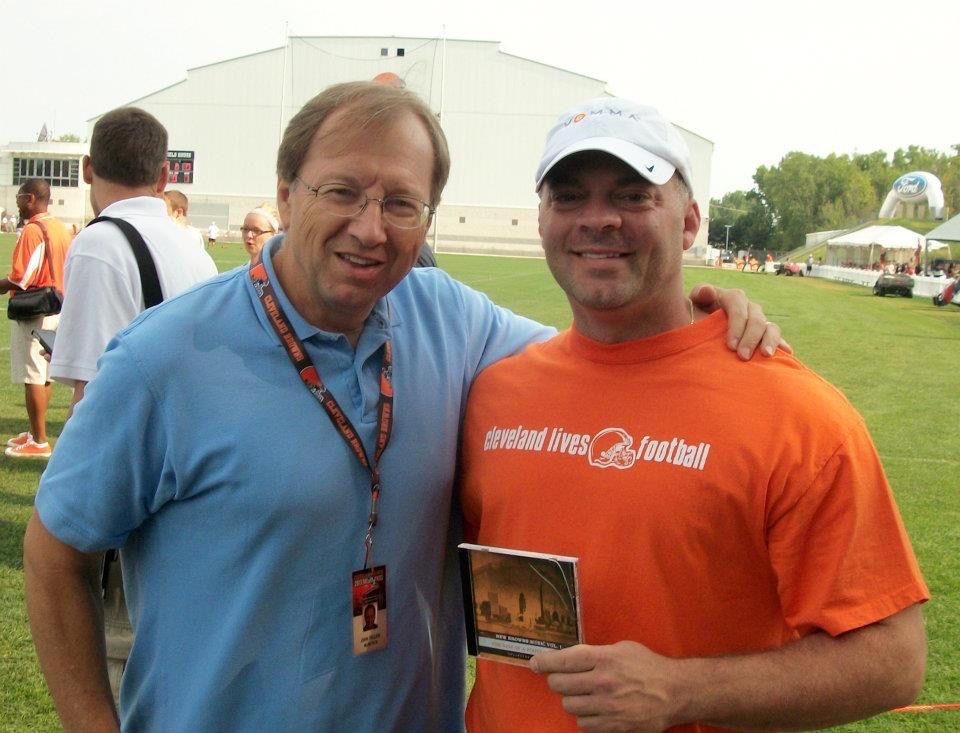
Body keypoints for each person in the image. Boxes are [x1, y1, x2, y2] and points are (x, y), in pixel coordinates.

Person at [24, 83, 780, 732]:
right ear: (285, 193)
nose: (369, 227)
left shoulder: (450, 319)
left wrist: (696, 315)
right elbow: (56, 554)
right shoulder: (162, 360)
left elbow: (598, 361)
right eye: (341, 192)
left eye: (401, 203)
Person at [458, 97, 929, 733]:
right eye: (568, 197)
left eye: (632, 196)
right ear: (542, 219)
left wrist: (681, 690)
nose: (598, 219)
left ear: (688, 222)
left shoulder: (797, 416)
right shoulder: (494, 393)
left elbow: (894, 660)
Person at [48, 107, 218, 415]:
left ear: (87, 169)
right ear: (164, 176)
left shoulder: (98, 244)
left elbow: (93, 393)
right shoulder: (195, 250)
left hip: (136, 434)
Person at [0, 178, 72, 458]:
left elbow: (21, 278)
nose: (17, 203)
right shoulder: (59, 227)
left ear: (30, 198)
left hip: (35, 310)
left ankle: (40, 441)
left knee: (33, 375)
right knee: (44, 374)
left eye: (19, 197)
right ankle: (35, 432)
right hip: (57, 305)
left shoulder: (33, 229)